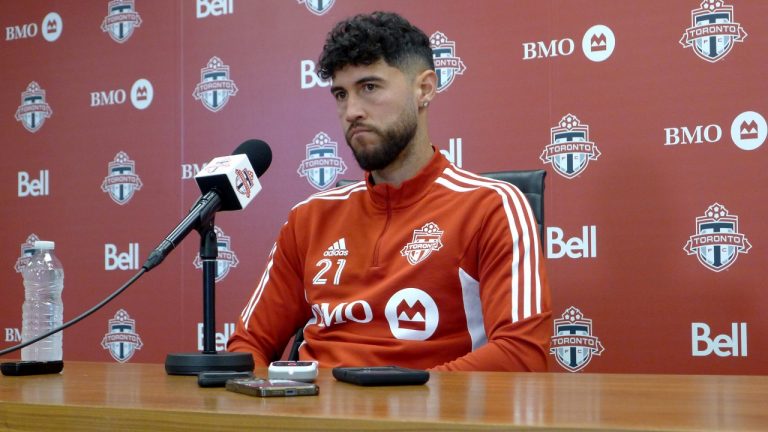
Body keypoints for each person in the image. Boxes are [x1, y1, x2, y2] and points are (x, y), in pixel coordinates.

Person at [227, 11, 551, 371]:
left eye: (369, 87)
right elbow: (248, 344)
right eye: (340, 94)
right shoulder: (309, 217)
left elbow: (522, 356)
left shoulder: (492, 207)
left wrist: (397, 399)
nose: (352, 111)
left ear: (424, 89)